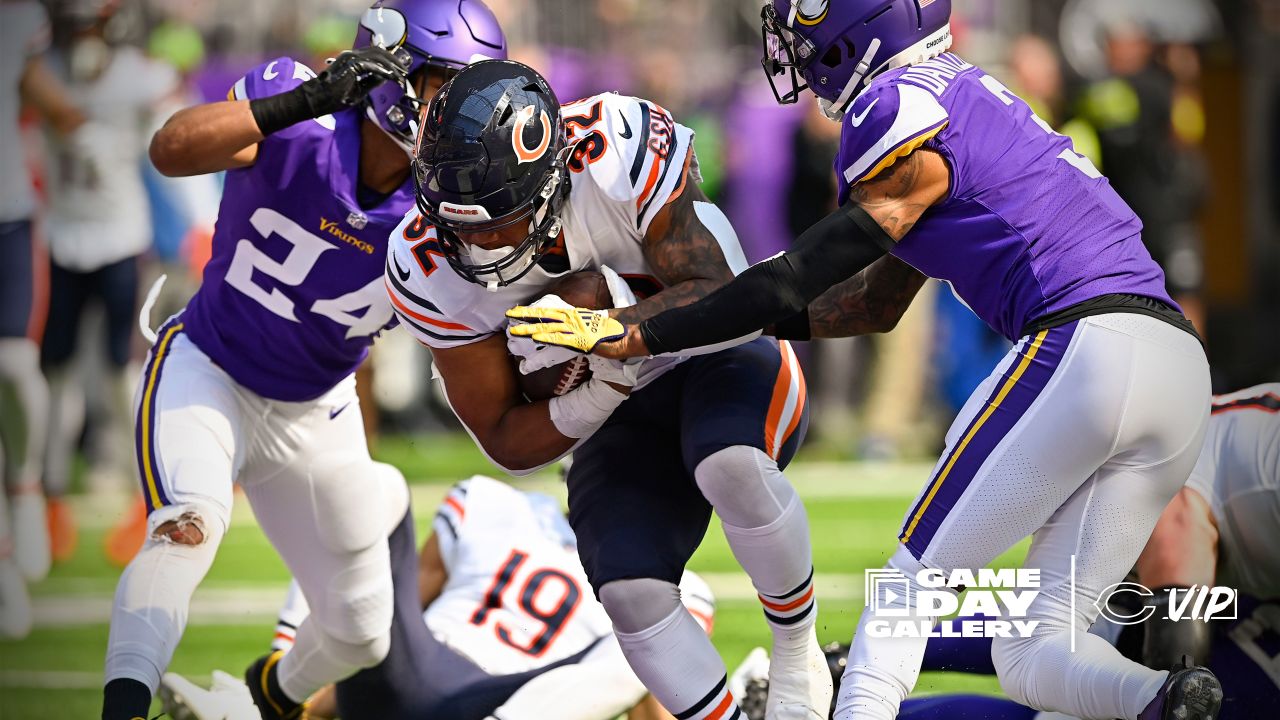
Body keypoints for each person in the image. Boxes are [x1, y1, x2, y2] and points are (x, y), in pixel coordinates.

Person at [507, 2, 1217, 719]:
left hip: (1088, 345)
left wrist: (630, 329)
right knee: (1036, 652)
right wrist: (702, 325)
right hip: (1176, 367)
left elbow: (790, 279)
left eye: (804, 29)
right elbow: (870, 304)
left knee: (903, 598)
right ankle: (1168, 700)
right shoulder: (964, 96)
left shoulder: (897, 105)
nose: (795, 51)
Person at [388, 60, 831, 719]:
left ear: (547, 182)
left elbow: (723, 293)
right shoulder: (425, 262)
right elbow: (504, 436)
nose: (472, 243)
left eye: (493, 219)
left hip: (715, 353)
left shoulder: (614, 148)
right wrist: (600, 388)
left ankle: (797, 657)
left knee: (731, 463)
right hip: (613, 407)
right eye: (458, 221)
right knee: (628, 590)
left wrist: (611, 322)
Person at [99, 3, 506, 719]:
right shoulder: (301, 110)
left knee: (361, 632)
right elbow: (170, 149)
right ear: (394, 71)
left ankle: (255, 702)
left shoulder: (450, 200)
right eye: (446, 87)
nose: (463, 115)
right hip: (212, 368)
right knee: (186, 527)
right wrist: (301, 101)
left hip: (318, 404)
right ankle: (123, 706)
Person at [160, 474, 719, 720]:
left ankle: (265, 702)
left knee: (380, 491)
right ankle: (271, 699)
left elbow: (379, 623)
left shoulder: (493, 502)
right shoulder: (674, 586)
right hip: (470, 694)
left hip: (405, 678)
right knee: (656, 637)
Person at [39, 0, 179, 566]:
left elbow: (173, 130)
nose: (81, 39)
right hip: (60, 235)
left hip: (121, 237)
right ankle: (46, 494)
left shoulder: (142, 78)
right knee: (55, 373)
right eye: (73, 27)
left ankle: (138, 491)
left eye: (88, 26)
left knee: (127, 369)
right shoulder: (38, 72)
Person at [0, 0, 86, 639]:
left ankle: (25, 485)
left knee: (14, 364)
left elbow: (54, 102)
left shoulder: (16, 18)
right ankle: (5, 573)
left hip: (8, 214)